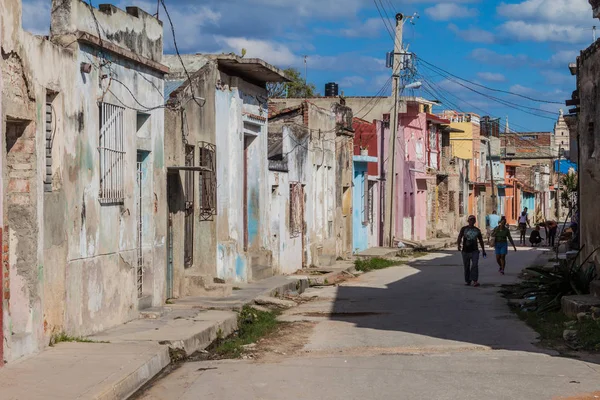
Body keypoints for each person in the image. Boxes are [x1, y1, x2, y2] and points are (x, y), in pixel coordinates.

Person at [457, 215, 487, 287]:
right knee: (466, 266)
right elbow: (460, 237)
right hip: (465, 251)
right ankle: (468, 281)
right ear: (468, 221)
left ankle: (475, 281)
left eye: (473, 220)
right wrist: (458, 245)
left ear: (475, 221)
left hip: (474, 251)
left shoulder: (477, 230)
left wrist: (483, 250)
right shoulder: (464, 229)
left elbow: (481, 240)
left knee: (475, 265)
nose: (472, 221)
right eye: (470, 220)